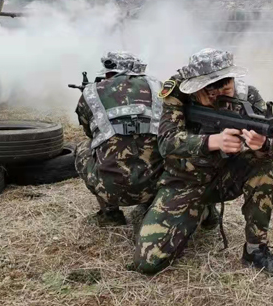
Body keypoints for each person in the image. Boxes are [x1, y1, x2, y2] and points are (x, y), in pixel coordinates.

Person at [132, 48, 273, 277]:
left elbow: (272, 150)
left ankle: (256, 249)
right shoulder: (176, 93)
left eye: (227, 87)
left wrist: (263, 145)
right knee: (148, 262)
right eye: (210, 92)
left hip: (226, 175)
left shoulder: (249, 96)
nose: (221, 95)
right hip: (184, 181)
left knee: (263, 169)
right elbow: (166, 142)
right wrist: (211, 142)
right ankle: (202, 211)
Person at [74, 52, 201, 230]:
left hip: (110, 190)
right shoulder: (161, 87)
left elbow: (90, 134)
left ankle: (110, 215)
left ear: (109, 73)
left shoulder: (91, 92)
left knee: (84, 148)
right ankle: (151, 204)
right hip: (158, 186)